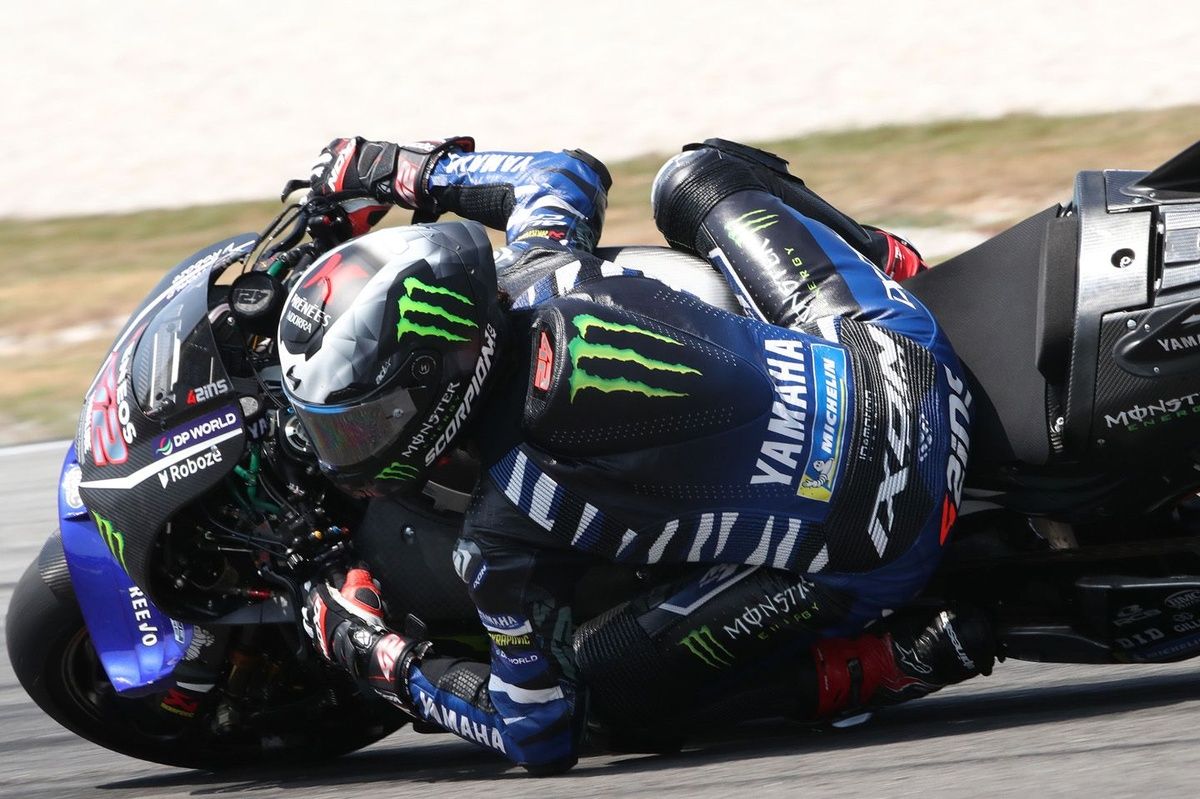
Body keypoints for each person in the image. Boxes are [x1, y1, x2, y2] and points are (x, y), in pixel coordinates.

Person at [287, 135, 995, 775]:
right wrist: (399, 168)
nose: (344, 447)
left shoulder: (503, 533)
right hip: (905, 357)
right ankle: (889, 261)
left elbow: (538, 734)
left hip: (887, 539)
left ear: (428, 384)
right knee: (694, 175)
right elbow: (562, 172)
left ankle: (875, 667)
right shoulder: (544, 264)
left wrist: (382, 657)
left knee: (602, 694)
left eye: (357, 425)